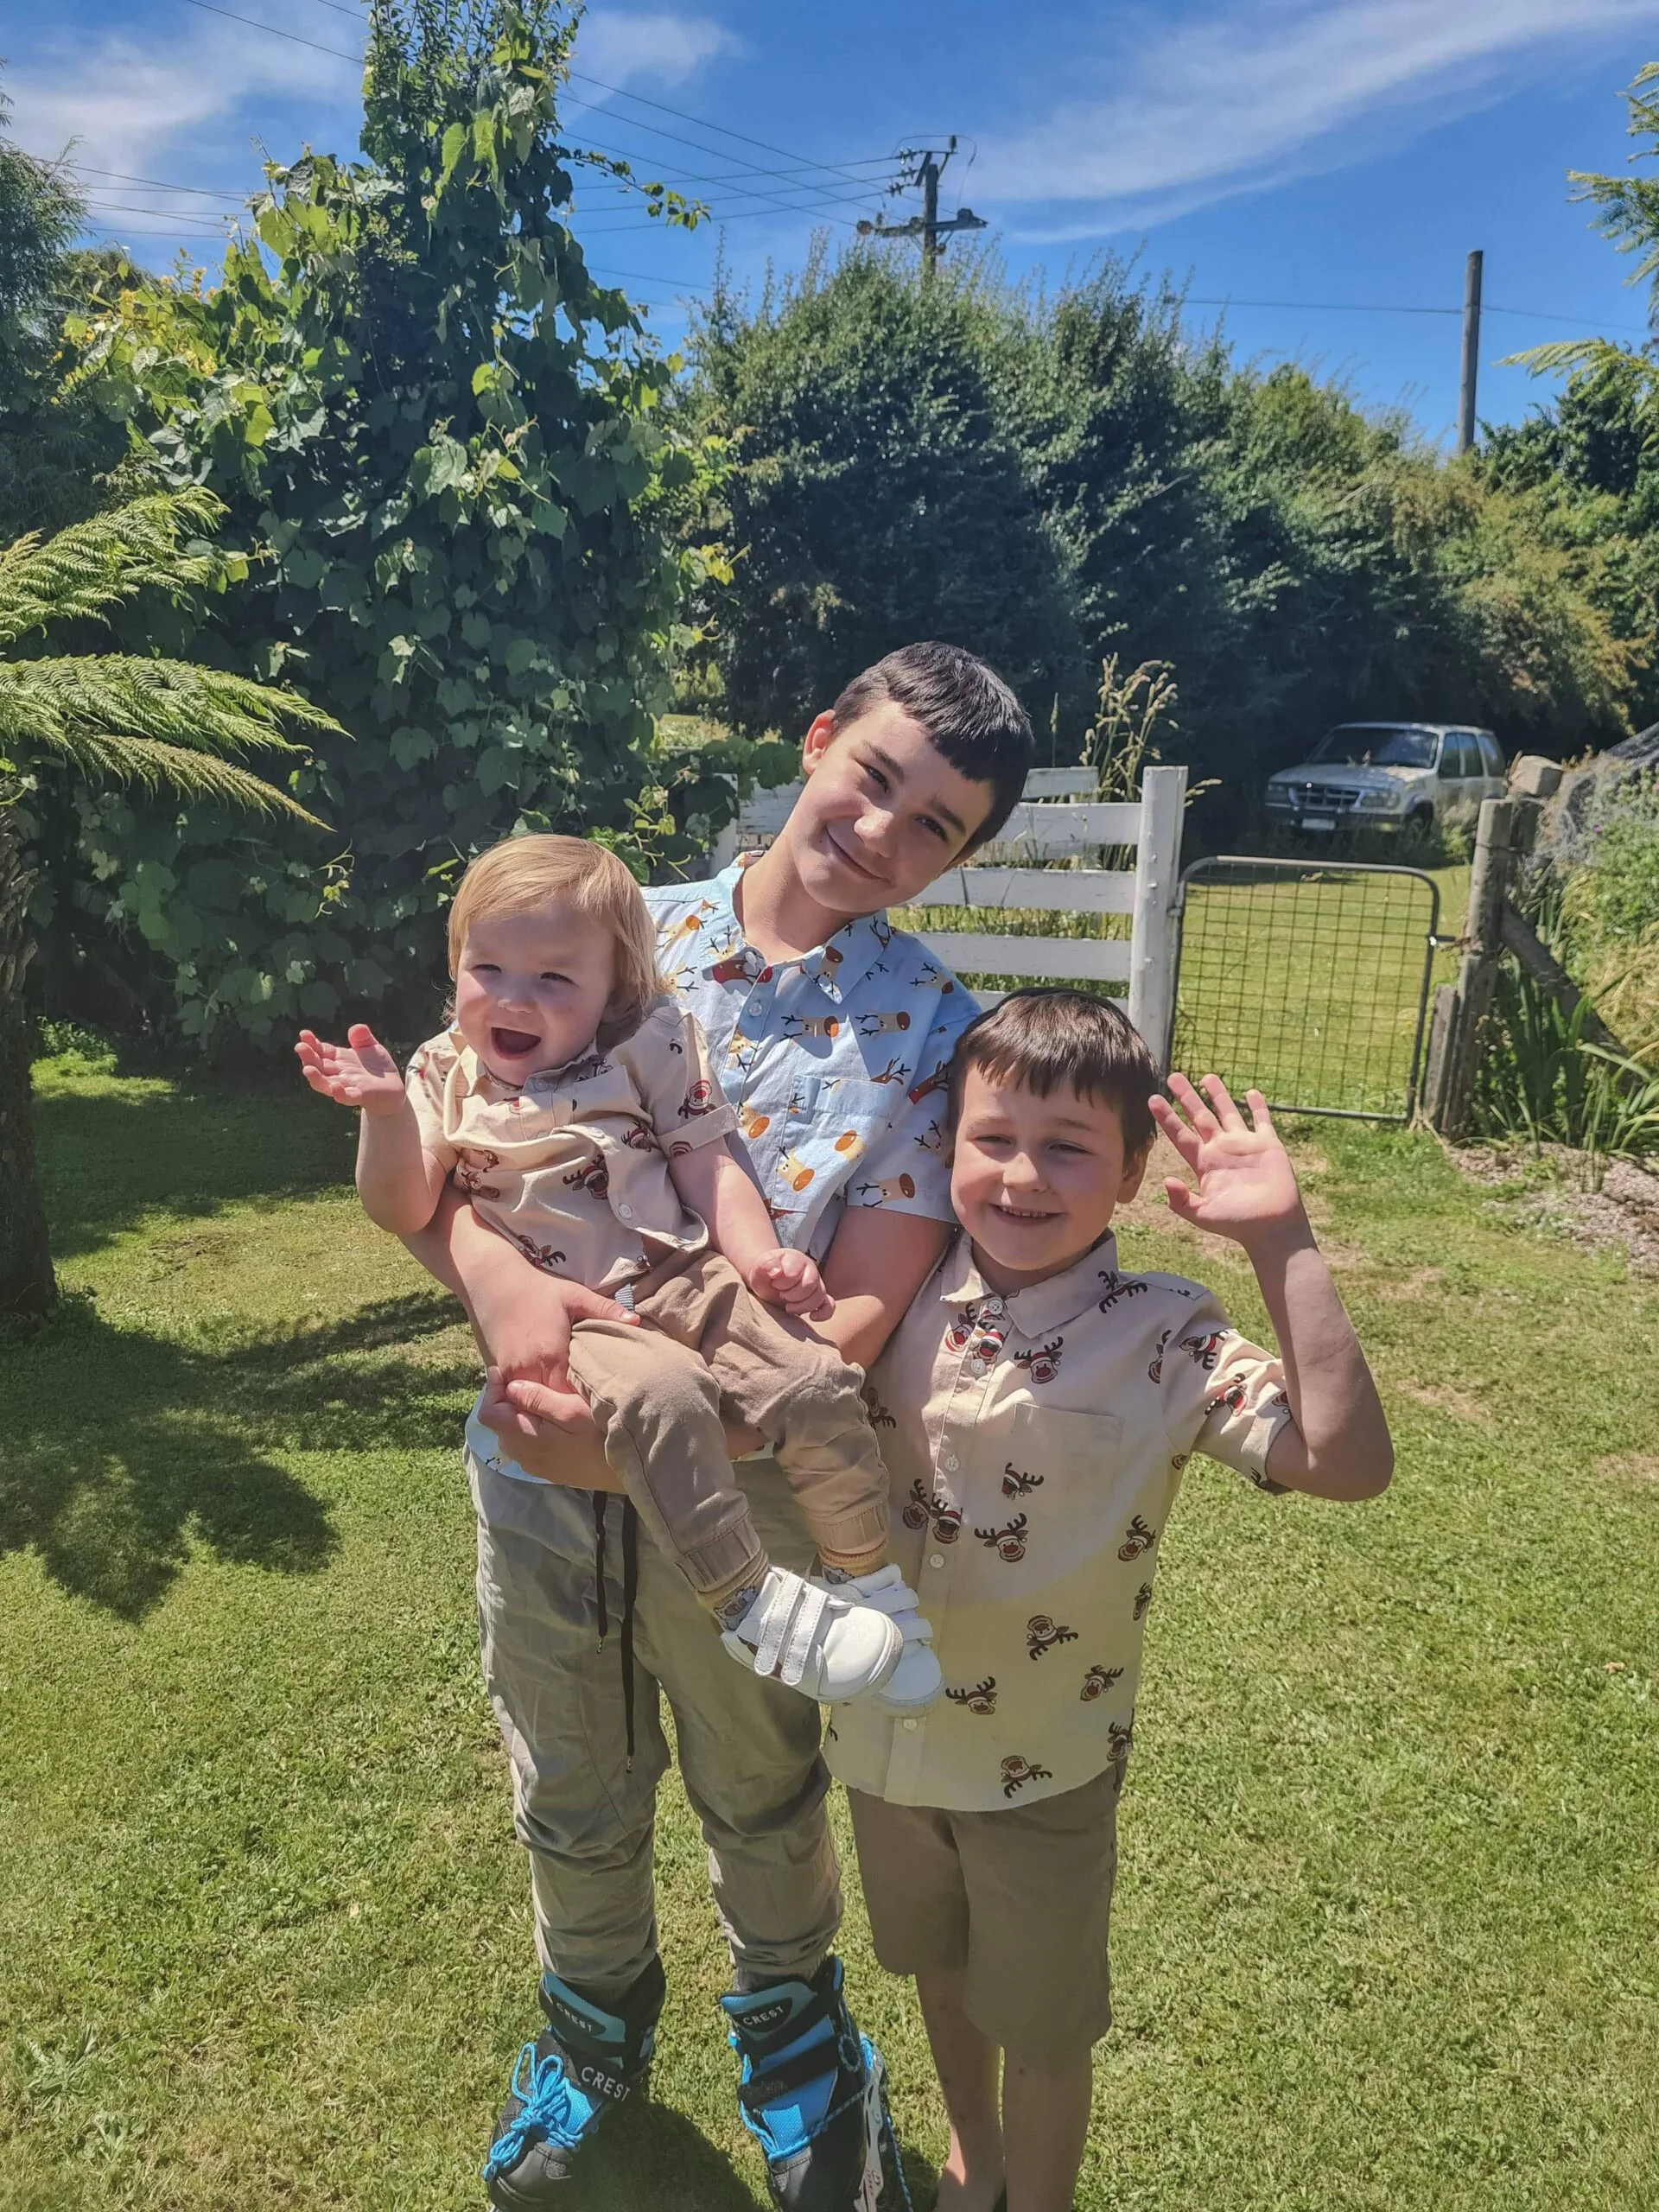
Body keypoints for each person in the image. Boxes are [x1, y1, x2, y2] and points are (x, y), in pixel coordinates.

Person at [402, 644, 1035, 2208]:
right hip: (538, 1450)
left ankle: (793, 2031)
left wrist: (689, 1410)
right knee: (570, 1774)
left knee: (760, 1777)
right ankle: (593, 2025)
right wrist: (494, 1281)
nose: (885, 829)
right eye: (875, 775)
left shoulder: (934, 1032)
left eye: (937, 826)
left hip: (745, 1486)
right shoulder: (613, 926)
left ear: (959, 860)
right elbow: (446, 1164)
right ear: (819, 741)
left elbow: (864, 1312)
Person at [827, 989, 1394, 2212]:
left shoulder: (1166, 1335)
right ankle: (972, 2161)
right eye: (994, 1139)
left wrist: (1282, 1241)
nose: (1023, 1175)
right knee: (937, 1970)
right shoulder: (891, 1287)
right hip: (882, 1737)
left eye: (1069, 1147)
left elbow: (1346, 1466)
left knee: (1042, 2025)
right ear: (947, 1148)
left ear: (1132, 1172)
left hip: (1044, 1762)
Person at [296, 835, 941, 1712]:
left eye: (556, 979)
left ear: (613, 988)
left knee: (815, 1379)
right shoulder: (443, 1073)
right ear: (456, 967)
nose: (514, 997)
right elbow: (404, 1206)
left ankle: (867, 1580)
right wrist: (380, 1113)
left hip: (688, 1270)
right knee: (666, 1398)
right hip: (583, 1311)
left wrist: (760, 1258)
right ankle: (751, 1604)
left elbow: (708, 1161)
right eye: (488, 967)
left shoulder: (651, 1039)